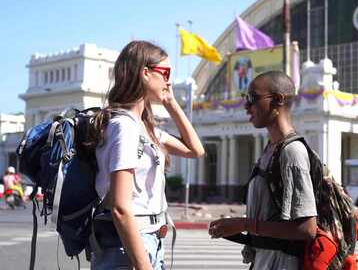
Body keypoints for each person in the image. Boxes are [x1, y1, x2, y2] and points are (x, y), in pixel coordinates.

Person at [90, 40, 205, 270]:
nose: (169, 81)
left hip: (150, 239)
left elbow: (196, 150)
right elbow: (121, 208)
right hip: (128, 245)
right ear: (145, 73)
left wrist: (171, 102)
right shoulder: (124, 127)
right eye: (165, 73)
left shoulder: (145, 128)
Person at [209, 71, 317, 269]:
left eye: (252, 98)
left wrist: (243, 224)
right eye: (245, 98)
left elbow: (306, 229)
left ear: (278, 100)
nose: (246, 106)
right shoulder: (270, 149)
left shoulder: (292, 152)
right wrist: (236, 229)